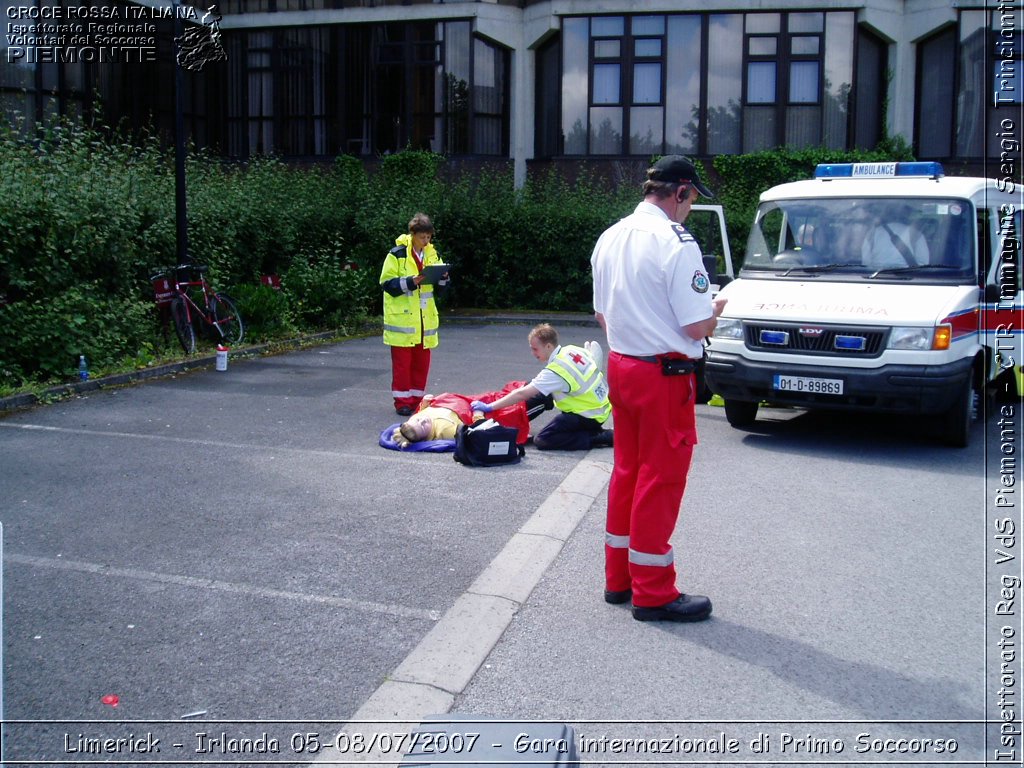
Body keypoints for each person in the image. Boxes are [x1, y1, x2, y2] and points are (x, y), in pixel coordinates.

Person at [590, 155, 727, 623]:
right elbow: (695, 327)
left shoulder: (610, 236)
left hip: (623, 366)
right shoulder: (677, 242)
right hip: (663, 377)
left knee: (627, 470)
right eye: (690, 200)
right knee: (661, 477)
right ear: (681, 192)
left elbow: (603, 316)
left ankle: (619, 579)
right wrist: (719, 308)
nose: (688, 209)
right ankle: (653, 591)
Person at [470, 324, 613, 451]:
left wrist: (490, 407)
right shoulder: (571, 350)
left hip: (587, 415)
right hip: (599, 407)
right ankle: (592, 431)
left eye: (535, 349)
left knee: (543, 440)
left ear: (548, 346)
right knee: (539, 389)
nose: (533, 353)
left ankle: (600, 437)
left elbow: (522, 394)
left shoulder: (556, 371)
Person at [380, 213, 449, 416]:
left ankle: (417, 400)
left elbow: (442, 288)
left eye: (428, 237)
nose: (426, 241)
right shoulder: (397, 254)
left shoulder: (432, 254)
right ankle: (402, 401)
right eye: (422, 237)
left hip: (424, 320)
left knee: (421, 363)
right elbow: (386, 283)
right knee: (403, 364)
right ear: (412, 234)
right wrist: (412, 281)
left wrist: (444, 278)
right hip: (403, 320)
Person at [393, 382, 544, 448]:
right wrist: (478, 413)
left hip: (477, 401)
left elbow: (420, 412)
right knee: (522, 405)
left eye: (418, 420)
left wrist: (424, 403)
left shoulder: (415, 419)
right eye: (423, 426)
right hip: (488, 413)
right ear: (426, 437)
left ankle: (544, 386)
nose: (422, 420)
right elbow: (474, 431)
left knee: (520, 390)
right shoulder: (444, 431)